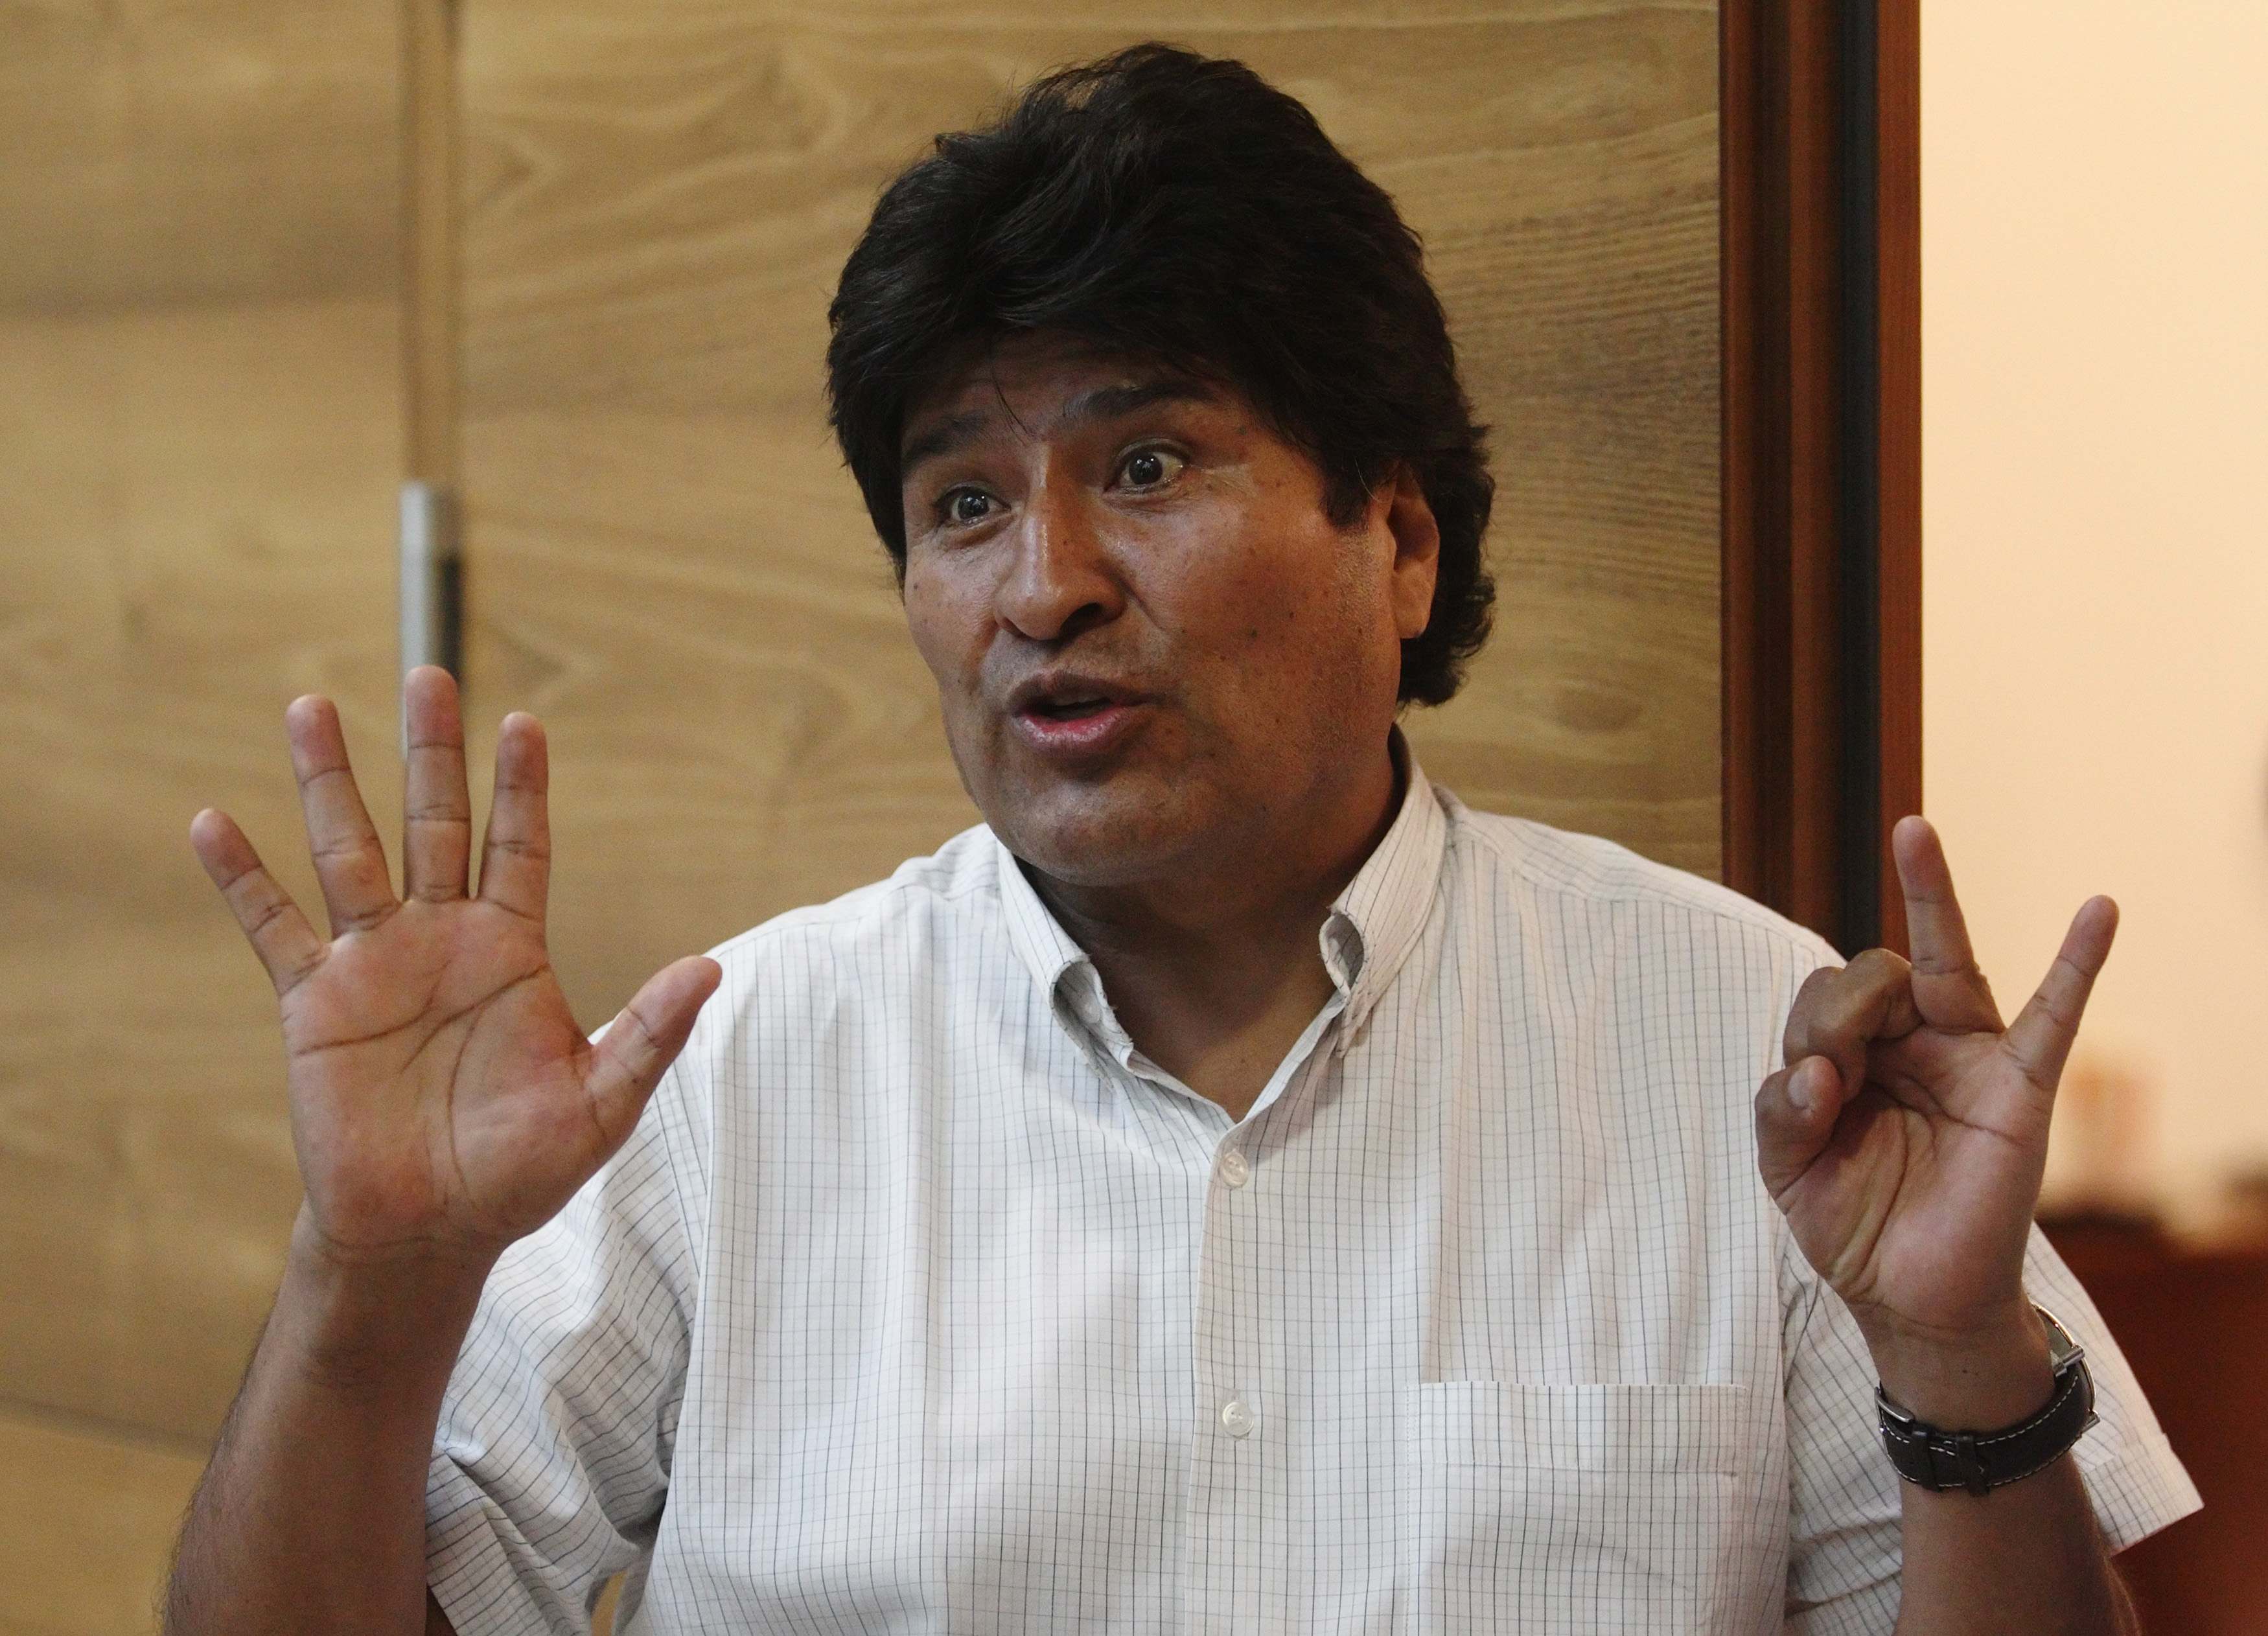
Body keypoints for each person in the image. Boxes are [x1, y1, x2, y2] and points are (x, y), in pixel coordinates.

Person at [164, 42, 2197, 1636]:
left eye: (1144, 463)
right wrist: (369, 1282)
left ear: (1397, 540)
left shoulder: (1743, 1045)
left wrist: (1960, 1361)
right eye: (963, 503)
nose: (1040, 583)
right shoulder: (734, 1073)